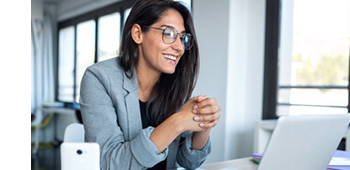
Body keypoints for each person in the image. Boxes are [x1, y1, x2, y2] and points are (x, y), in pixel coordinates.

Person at [79, 0, 221, 169]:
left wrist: (203, 123)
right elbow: (109, 163)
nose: (179, 47)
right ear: (138, 34)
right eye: (168, 33)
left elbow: (189, 163)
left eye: (183, 38)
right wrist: (177, 123)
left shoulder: (174, 84)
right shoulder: (99, 77)